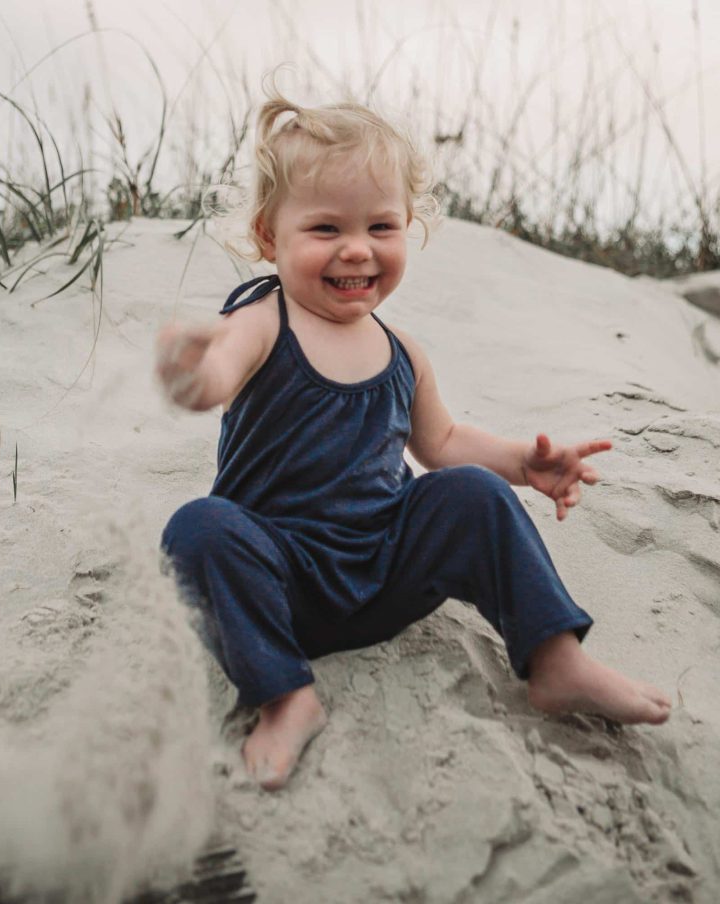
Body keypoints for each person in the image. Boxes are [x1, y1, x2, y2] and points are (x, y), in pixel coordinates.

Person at [156, 94, 671, 791]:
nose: (357, 248)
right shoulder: (262, 318)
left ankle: (555, 662)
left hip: (384, 573)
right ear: (269, 236)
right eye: (325, 227)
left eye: (380, 225)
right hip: (281, 584)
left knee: (473, 493)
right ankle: (285, 696)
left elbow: (445, 441)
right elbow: (219, 372)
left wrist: (524, 463)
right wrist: (195, 376)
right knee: (199, 529)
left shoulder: (402, 352)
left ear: (409, 230)